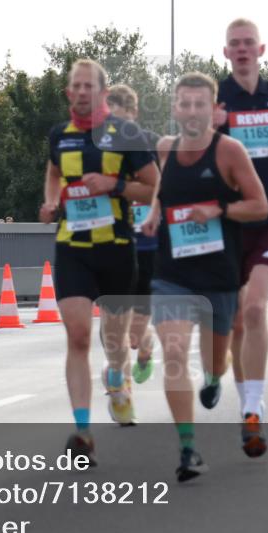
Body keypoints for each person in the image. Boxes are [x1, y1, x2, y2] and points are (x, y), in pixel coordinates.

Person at [141, 72, 268, 481]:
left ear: (212, 109)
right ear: (175, 108)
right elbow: (161, 191)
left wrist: (220, 210)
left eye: (200, 104)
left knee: (216, 362)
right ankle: (188, 449)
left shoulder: (229, 151)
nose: (192, 111)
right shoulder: (165, 148)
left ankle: (214, 378)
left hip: (218, 275)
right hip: (172, 272)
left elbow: (260, 205)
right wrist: (153, 214)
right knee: (174, 352)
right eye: (185, 104)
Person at [38, 59, 159, 465]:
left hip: (116, 247)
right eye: (75, 86)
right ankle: (83, 432)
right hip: (72, 245)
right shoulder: (60, 135)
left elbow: (154, 188)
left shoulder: (126, 134)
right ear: (68, 92)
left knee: (115, 340)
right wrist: (51, 202)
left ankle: (118, 378)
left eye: (88, 86)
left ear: (103, 92)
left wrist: (115, 185)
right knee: (77, 335)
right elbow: (53, 172)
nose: (81, 92)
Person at [213, 18, 268, 456]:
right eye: (236, 44)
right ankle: (245, 401)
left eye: (249, 42)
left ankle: (254, 408)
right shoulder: (216, 98)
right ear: (226, 53)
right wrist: (208, 130)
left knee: (254, 307)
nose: (243, 49)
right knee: (234, 319)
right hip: (230, 221)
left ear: (261, 49)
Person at [107, 84, 160, 384]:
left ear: (134, 114)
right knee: (112, 326)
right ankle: (121, 387)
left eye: (121, 118)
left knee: (134, 333)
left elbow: (166, 188)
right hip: (113, 244)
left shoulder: (152, 144)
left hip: (148, 248)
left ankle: (144, 348)